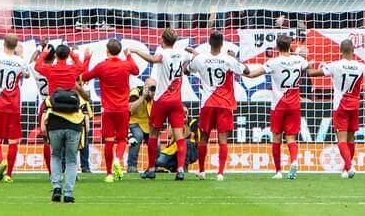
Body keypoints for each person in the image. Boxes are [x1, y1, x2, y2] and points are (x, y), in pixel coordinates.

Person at [310, 39, 365, 178]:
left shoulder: (334, 65)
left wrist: (307, 66)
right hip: (354, 105)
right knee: (351, 139)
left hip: (340, 106)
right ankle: (346, 169)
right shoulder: (360, 66)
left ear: (340, 50)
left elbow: (313, 74)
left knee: (341, 140)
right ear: (353, 50)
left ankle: (349, 166)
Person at [128, 27, 191, 180]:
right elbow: (193, 58)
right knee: (179, 136)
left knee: (153, 135)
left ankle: (151, 169)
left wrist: (136, 52)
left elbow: (153, 59)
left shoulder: (163, 53)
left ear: (163, 40)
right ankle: (181, 169)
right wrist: (191, 52)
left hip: (161, 100)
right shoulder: (183, 53)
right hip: (176, 101)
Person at [186, 31, 249, 181]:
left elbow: (186, 70)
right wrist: (235, 59)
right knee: (223, 139)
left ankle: (202, 171)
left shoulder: (201, 58)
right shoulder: (228, 59)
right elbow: (246, 70)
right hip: (224, 104)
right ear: (222, 44)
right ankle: (220, 173)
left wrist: (195, 56)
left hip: (207, 103)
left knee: (204, 138)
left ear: (209, 42)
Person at [36, 42, 88, 204]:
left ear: (56, 56)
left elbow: (37, 66)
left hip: (55, 119)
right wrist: (74, 54)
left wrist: (44, 53)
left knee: (55, 154)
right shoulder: (73, 69)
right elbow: (82, 67)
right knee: (72, 159)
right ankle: (69, 193)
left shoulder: (50, 69)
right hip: (73, 118)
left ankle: (57, 187)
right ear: (67, 55)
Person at [80, 38, 138, 182]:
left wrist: (86, 59)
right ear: (119, 51)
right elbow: (136, 70)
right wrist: (129, 55)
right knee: (122, 139)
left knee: (109, 141)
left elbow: (84, 78)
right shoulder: (126, 65)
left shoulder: (102, 66)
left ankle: (109, 174)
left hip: (108, 109)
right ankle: (117, 160)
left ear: (107, 50)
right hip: (123, 109)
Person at [0, 33, 31, 182]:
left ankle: (1, 160)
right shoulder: (20, 61)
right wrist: (21, 56)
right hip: (14, 105)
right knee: (13, 140)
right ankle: (8, 174)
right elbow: (27, 75)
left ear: (3, 44)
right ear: (15, 46)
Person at [259, 34, 311, 180]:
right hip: (294, 105)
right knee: (291, 138)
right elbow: (309, 66)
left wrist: (242, 69)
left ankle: (278, 172)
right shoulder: (299, 60)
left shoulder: (273, 62)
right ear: (290, 46)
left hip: (278, 105)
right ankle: (293, 161)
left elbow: (252, 74)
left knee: (276, 138)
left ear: (276, 47)